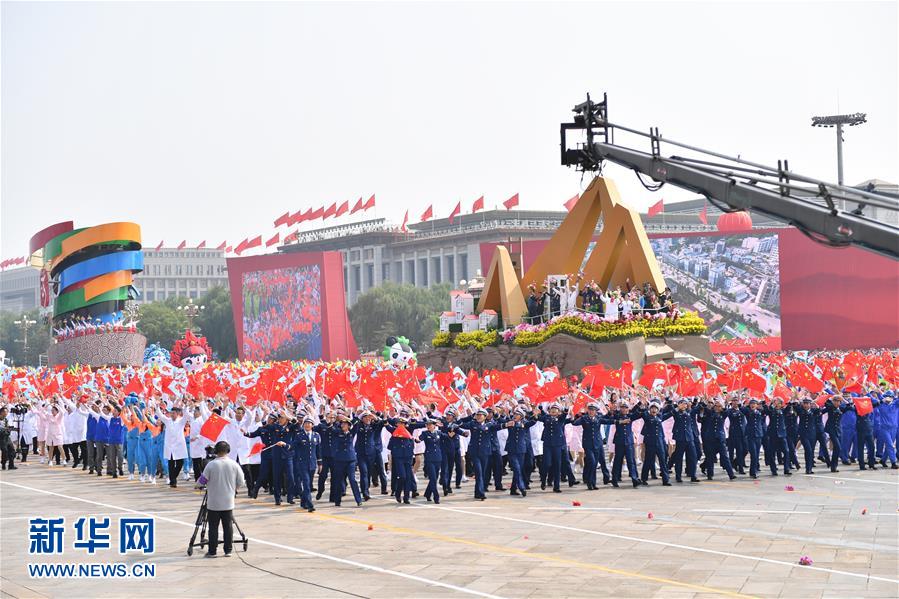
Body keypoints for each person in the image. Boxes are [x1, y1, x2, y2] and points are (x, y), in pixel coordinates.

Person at [200, 441, 245, 558]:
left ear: (216, 451)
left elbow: (202, 480)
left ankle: (212, 551)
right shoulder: (234, 464)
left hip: (213, 502)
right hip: (228, 501)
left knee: (213, 527)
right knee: (228, 526)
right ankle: (228, 550)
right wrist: (234, 489)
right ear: (228, 451)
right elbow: (241, 481)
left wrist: (198, 485)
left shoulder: (211, 465)